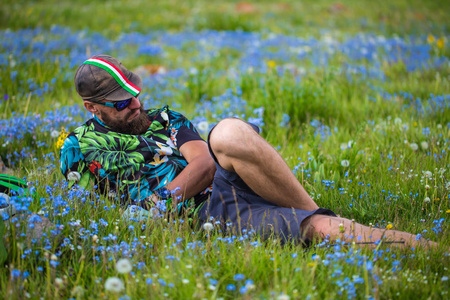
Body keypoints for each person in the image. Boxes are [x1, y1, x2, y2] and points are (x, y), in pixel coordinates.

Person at [60, 55, 436, 249]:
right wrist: (159, 210)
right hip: (212, 213)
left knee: (229, 133)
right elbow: (116, 206)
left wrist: (160, 202)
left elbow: (206, 162)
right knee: (324, 230)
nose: (136, 106)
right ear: (92, 107)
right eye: (123, 103)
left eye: (136, 94)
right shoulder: (80, 148)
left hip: (227, 176)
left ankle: (310, 208)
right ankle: (431, 250)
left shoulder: (165, 117)